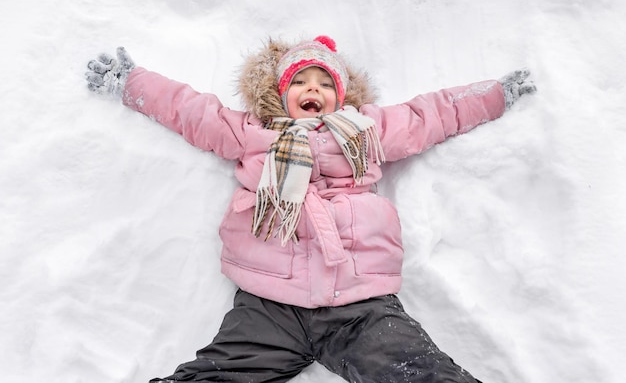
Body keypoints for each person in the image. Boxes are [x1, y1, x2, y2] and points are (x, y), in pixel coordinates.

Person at [85, 35, 536, 383]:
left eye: (324, 83)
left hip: (361, 305)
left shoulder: (364, 131)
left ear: (342, 97)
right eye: (299, 81)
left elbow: (429, 115)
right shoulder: (252, 133)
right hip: (268, 304)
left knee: (417, 370)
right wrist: (132, 82)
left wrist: (494, 94)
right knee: (219, 374)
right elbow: (190, 111)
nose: (311, 89)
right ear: (280, 94)